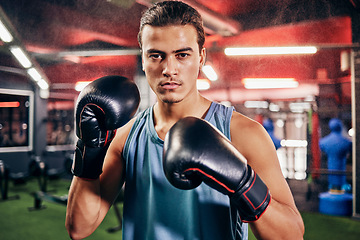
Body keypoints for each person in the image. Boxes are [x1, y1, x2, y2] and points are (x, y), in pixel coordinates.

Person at [65, 1, 304, 239]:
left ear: (201, 57)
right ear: (144, 60)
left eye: (182, 55)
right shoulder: (126, 136)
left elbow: (291, 235)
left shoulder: (243, 133)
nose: (169, 69)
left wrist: (243, 184)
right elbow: (79, 228)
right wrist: (89, 148)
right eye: (156, 55)